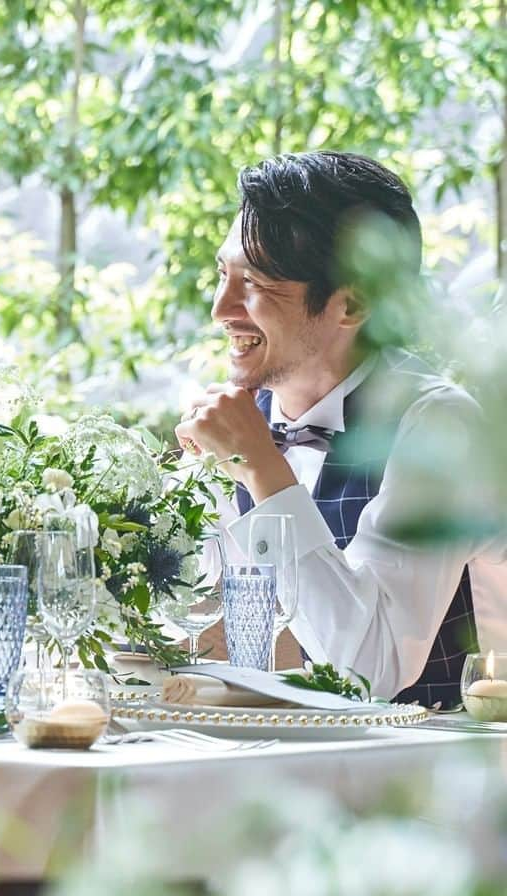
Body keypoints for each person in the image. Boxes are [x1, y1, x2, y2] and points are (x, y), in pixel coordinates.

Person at [176, 150, 507, 707]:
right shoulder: (243, 425)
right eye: (222, 274)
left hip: (449, 772)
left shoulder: (436, 425)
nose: (220, 309)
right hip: (311, 765)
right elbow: (179, 618)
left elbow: (365, 674)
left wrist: (264, 470)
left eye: (255, 284)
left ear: (351, 303)